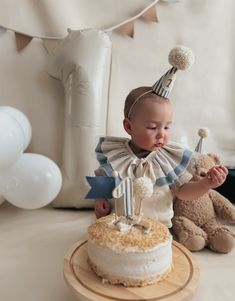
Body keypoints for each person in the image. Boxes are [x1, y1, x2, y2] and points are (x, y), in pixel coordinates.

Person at [93, 46, 228, 226]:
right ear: (128, 126)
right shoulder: (116, 154)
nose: (161, 135)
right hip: (117, 223)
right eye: (152, 127)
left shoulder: (168, 159)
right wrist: (99, 198)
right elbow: (104, 177)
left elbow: (183, 192)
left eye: (167, 127)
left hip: (156, 227)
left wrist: (206, 185)